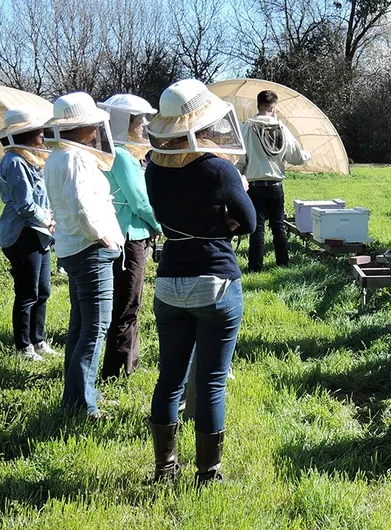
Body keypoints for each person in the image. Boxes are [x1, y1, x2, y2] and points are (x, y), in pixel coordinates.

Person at [145, 78, 256, 483]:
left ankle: (164, 469)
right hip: (215, 283)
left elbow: (168, 214)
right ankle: (208, 474)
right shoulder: (218, 168)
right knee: (209, 382)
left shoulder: (152, 169)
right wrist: (223, 223)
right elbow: (250, 219)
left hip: (169, 283)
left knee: (169, 377)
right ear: (203, 124)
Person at [43, 92, 124, 419]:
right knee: (95, 328)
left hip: (74, 249)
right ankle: (84, 407)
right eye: (91, 124)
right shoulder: (74, 158)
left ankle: (78, 395)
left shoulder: (57, 157)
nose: (95, 130)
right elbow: (81, 205)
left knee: (80, 327)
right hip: (89, 250)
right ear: (82, 126)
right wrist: (102, 237)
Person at [97, 94, 162, 379]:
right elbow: (141, 203)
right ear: (125, 123)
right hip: (129, 239)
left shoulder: (118, 152)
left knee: (128, 303)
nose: (145, 125)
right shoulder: (123, 155)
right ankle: (117, 371)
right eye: (140, 120)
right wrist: (164, 226)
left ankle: (129, 364)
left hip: (126, 237)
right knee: (127, 304)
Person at [0, 107, 58, 361]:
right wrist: (47, 220)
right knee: (27, 292)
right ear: (26, 134)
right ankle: (23, 348)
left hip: (40, 234)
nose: (43, 137)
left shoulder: (33, 158)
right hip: (23, 234)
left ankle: (39, 340)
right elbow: (24, 205)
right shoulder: (14, 161)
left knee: (43, 290)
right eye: (39, 133)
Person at [236, 89, 310, 272]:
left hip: (253, 185)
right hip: (276, 185)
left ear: (258, 105)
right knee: (278, 226)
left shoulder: (247, 128)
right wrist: (307, 156)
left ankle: (255, 267)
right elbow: (296, 156)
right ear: (274, 107)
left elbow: (240, 160)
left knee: (257, 227)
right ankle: (282, 263)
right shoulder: (281, 128)